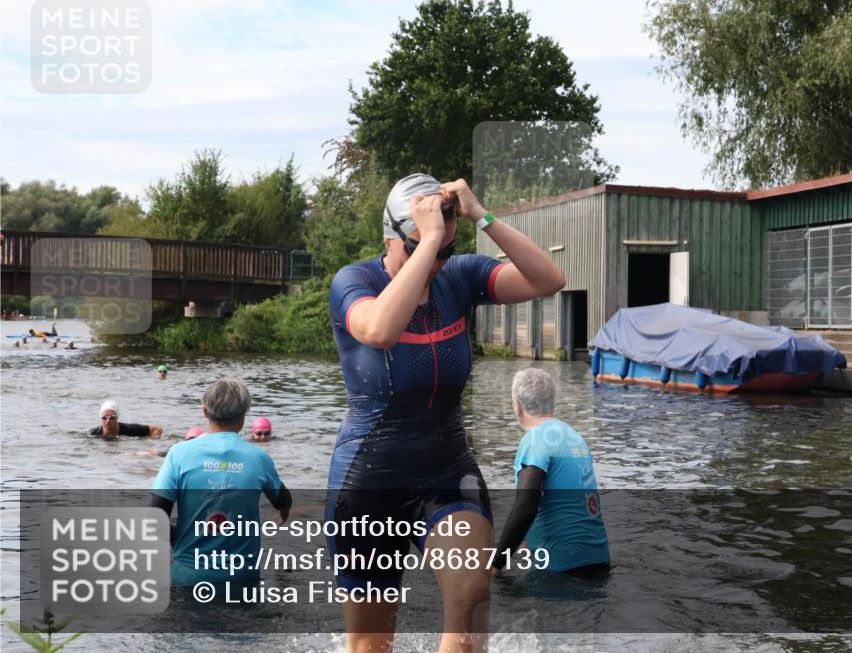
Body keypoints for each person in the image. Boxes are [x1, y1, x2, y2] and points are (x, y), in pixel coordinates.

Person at [326, 173, 565, 652]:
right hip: (370, 479)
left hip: (446, 469)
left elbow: (549, 280)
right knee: (371, 646)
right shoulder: (355, 281)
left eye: (446, 252)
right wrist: (430, 239)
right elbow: (378, 331)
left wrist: (481, 217)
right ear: (393, 237)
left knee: (472, 593)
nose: (437, 263)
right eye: (424, 249)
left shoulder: (459, 278)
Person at [150, 377, 292, 585]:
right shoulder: (258, 458)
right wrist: (284, 508)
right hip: (242, 579)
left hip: (188, 575)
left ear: (205, 412)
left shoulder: (179, 454)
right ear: (244, 415)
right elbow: (282, 499)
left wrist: (177, 539)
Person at [493, 368, 610, 578]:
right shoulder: (575, 437)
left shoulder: (535, 440)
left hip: (561, 568)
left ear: (517, 407)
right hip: (598, 561)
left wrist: (496, 565)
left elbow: (526, 507)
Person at [87, 400, 164, 438]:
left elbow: (157, 429)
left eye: (112, 418)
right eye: (104, 418)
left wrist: (150, 442)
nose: (108, 421)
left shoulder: (129, 429)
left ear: (117, 417)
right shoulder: (93, 433)